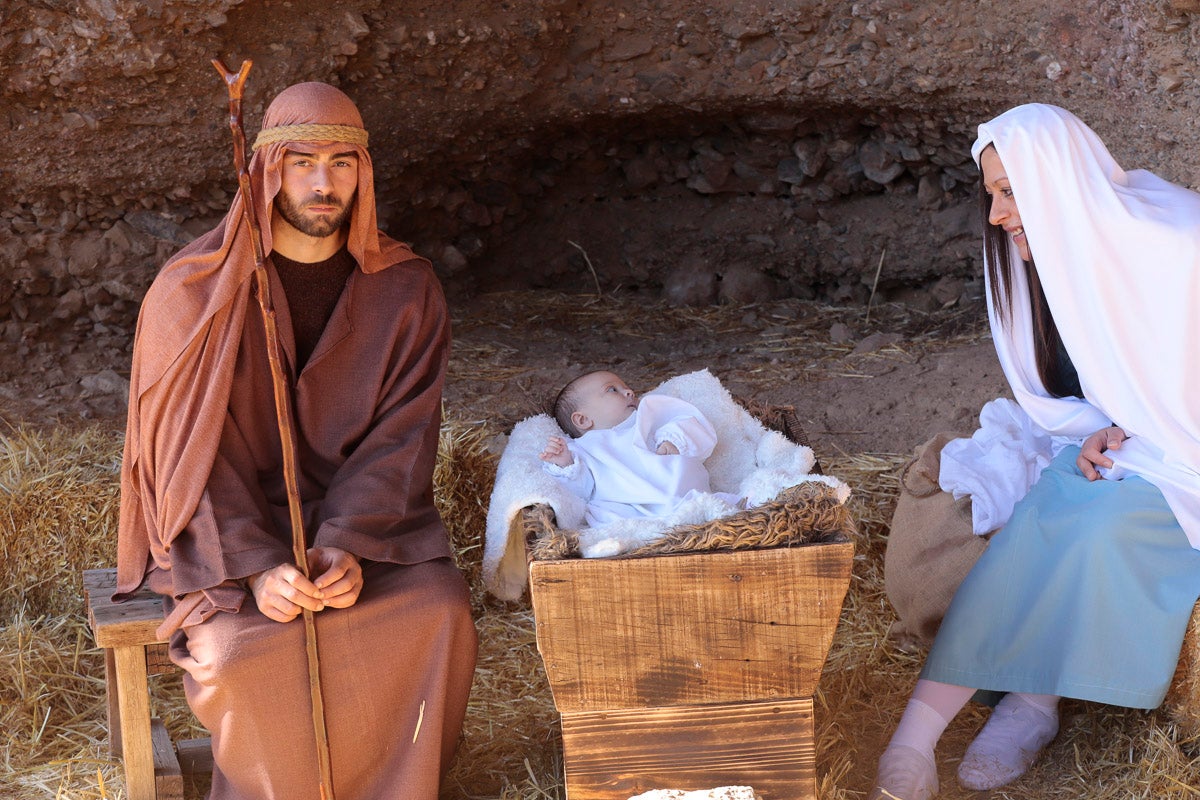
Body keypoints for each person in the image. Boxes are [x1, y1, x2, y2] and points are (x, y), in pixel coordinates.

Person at [115, 81, 478, 800]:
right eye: (301, 160)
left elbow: (400, 440)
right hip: (225, 535)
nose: (323, 182)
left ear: (363, 172)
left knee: (436, 614)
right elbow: (183, 459)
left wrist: (347, 544)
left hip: (364, 529)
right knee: (242, 653)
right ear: (265, 170)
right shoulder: (189, 294)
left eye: (342, 162)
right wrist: (255, 569)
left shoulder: (407, 290)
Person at [871, 103, 1200, 800]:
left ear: (1058, 182)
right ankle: (918, 740)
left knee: (1087, 517)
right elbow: (1049, 391)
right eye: (991, 192)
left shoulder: (1180, 245)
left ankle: (1026, 705)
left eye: (1011, 192)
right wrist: (1092, 430)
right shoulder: (1027, 266)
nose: (996, 214)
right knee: (1063, 495)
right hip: (1118, 448)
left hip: (1189, 454)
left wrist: (1144, 440)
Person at [539, 370, 740, 526]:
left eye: (625, 387)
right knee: (606, 516)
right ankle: (627, 540)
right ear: (583, 420)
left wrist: (673, 440)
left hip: (684, 496)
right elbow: (579, 492)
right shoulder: (583, 449)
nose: (629, 392)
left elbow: (691, 423)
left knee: (718, 507)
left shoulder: (647, 417)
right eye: (612, 389)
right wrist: (565, 465)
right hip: (631, 511)